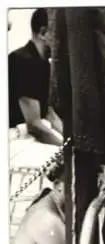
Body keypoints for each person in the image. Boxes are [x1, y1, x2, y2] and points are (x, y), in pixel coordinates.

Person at [8, 8, 63, 145]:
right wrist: (67, 149)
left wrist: (72, 142)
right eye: (60, 36)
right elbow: (34, 125)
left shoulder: (42, 63)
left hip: (29, 136)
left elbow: (49, 113)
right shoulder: (24, 62)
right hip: (15, 139)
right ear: (43, 33)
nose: (63, 43)